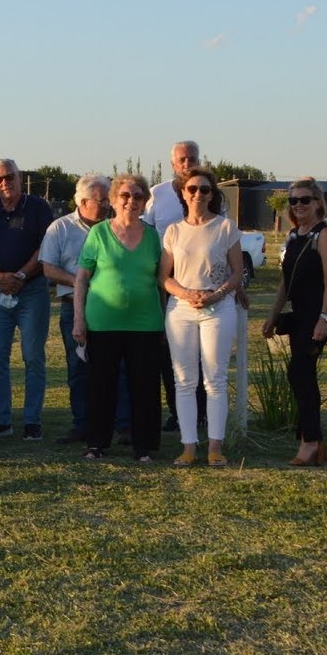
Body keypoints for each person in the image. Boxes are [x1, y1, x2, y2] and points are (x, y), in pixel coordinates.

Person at [158, 166, 247, 468]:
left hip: (218, 308)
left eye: (204, 189)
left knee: (215, 379)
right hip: (181, 310)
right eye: (192, 189)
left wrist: (217, 294)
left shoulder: (226, 228)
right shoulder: (173, 231)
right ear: (183, 193)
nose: (198, 194)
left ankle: (215, 447)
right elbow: (164, 277)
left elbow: (238, 272)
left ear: (213, 194)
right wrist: (185, 294)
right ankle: (188, 447)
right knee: (184, 380)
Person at [72, 173, 163, 461]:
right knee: (100, 386)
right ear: (113, 200)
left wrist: (165, 319)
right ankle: (97, 444)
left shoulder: (153, 236)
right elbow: (81, 279)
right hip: (102, 324)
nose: (131, 201)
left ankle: (144, 447)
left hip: (146, 324)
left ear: (145, 202)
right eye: (125, 195)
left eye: (138, 196)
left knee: (145, 387)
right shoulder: (98, 234)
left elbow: (161, 281)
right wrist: (78, 320)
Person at [0, 158, 55, 441]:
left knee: (33, 358)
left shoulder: (38, 207)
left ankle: (32, 421)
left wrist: (20, 275)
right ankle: (1, 421)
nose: (5, 183)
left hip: (31, 290)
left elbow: (45, 248)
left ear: (20, 177)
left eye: (9, 177)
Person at [263, 178, 327, 466]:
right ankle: (311, 438)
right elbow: (286, 281)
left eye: (305, 200)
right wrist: (272, 315)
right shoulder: (295, 236)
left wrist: (325, 318)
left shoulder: (325, 235)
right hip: (298, 316)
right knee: (299, 376)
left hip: (317, 315)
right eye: (293, 201)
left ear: (318, 202)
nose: (298, 205)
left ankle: (311, 441)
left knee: (300, 373)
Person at [40, 173, 111, 444]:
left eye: (107, 199)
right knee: (78, 367)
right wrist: (80, 282)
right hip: (73, 306)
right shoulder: (60, 228)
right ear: (82, 201)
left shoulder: (116, 227)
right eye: (100, 200)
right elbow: (48, 268)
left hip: (110, 308)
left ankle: (122, 424)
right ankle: (82, 424)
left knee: (115, 366)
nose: (106, 205)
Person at [146, 139, 204, 432]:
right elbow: (145, 232)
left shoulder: (209, 191)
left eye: (191, 158)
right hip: (165, 283)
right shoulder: (157, 194)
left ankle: (202, 411)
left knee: (202, 352)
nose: (187, 163)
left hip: (203, 284)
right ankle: (177, 411)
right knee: (169, 348)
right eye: (181, 159)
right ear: (172, 164)